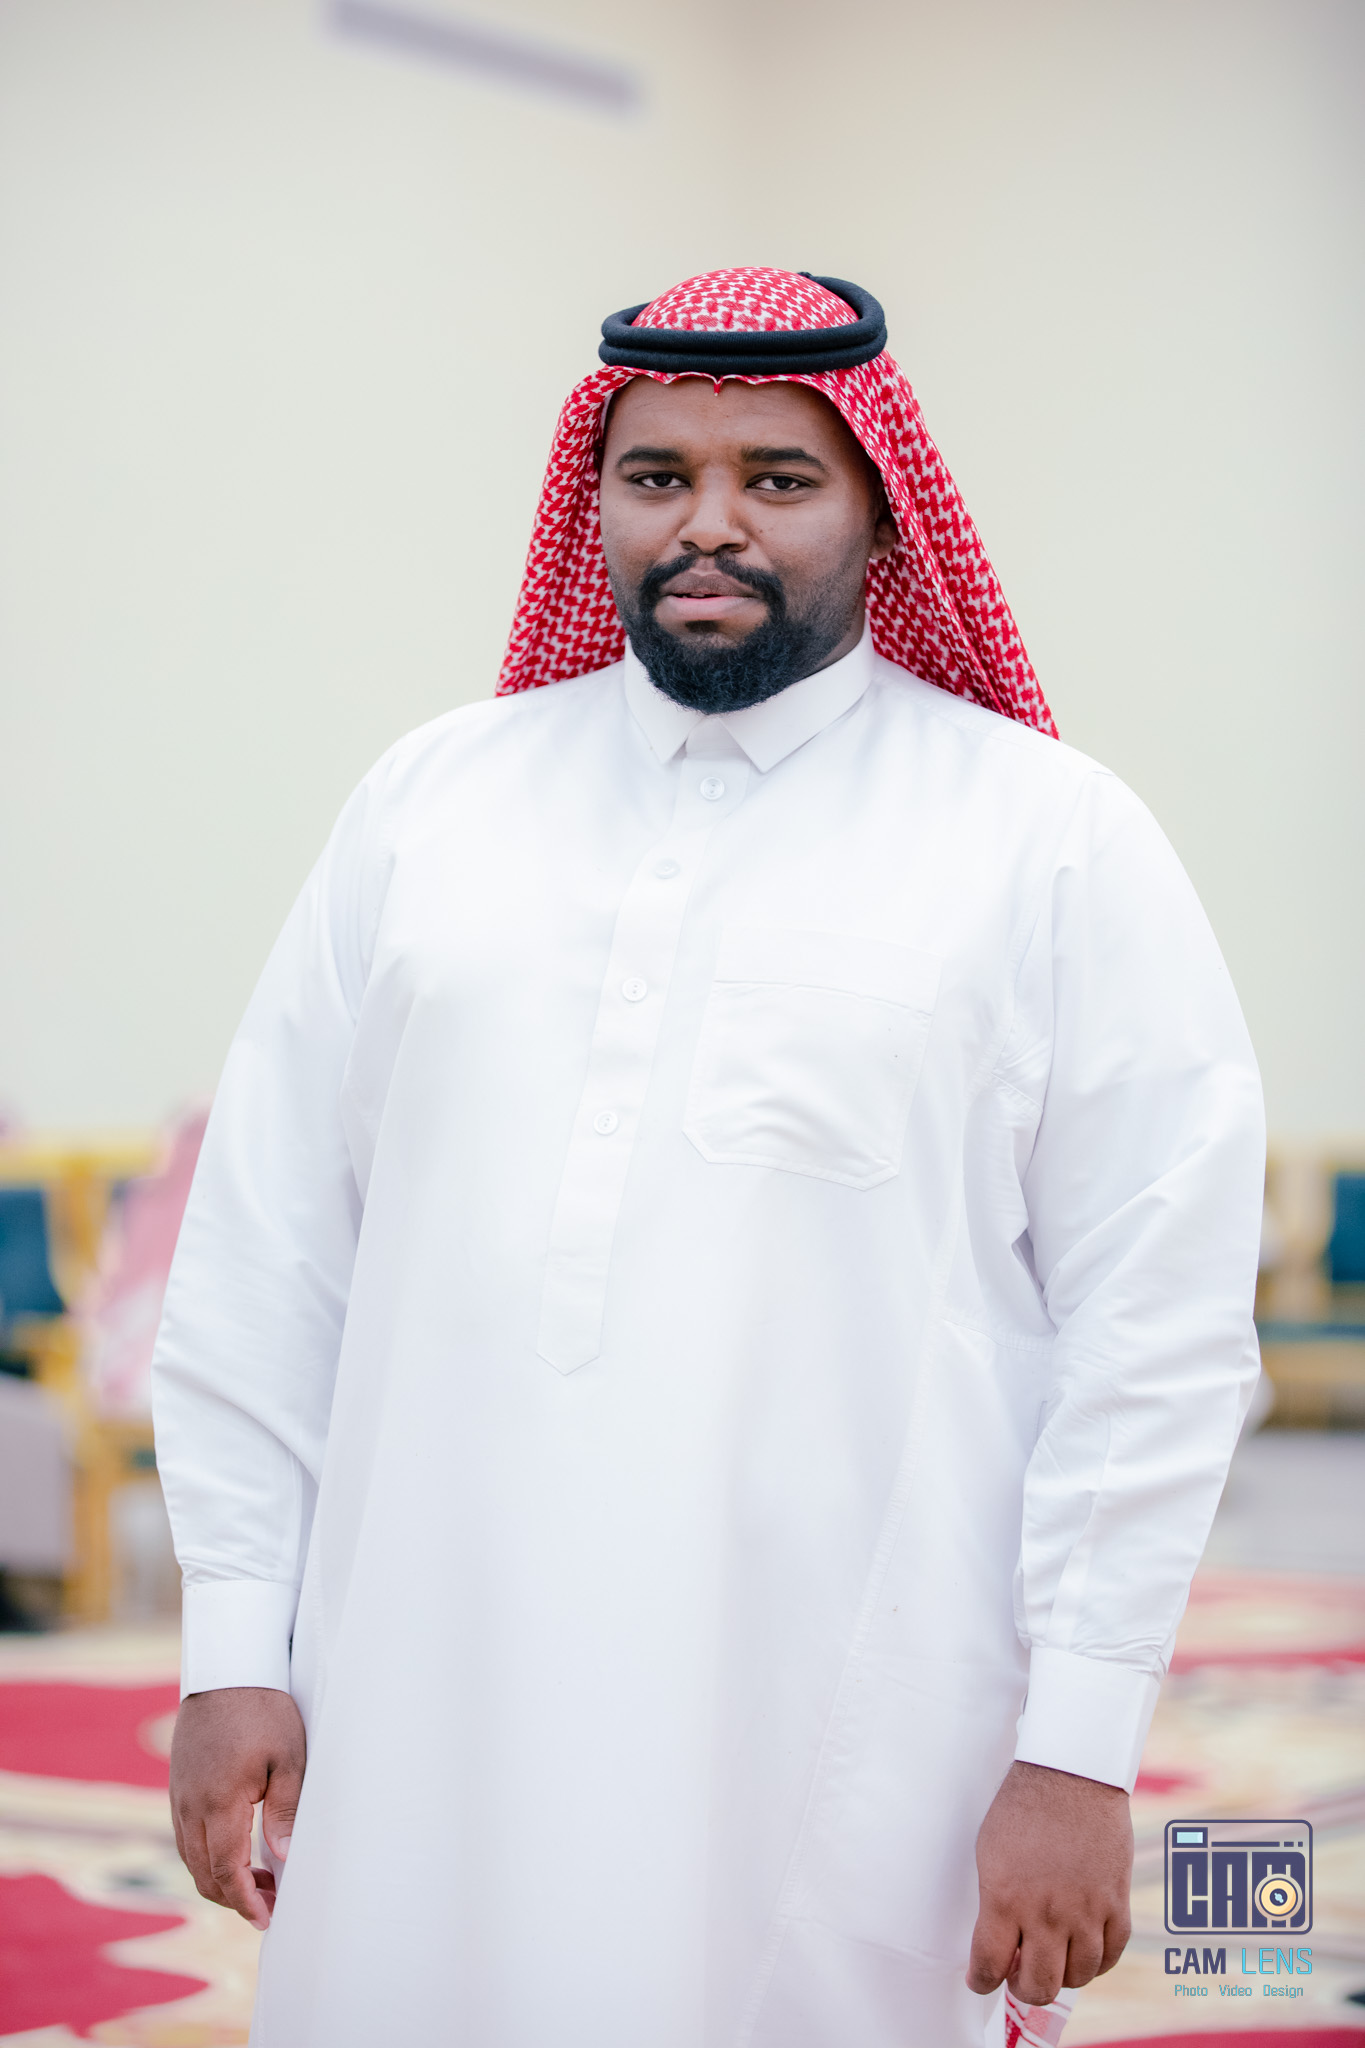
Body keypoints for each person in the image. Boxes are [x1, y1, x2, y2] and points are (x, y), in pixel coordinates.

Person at [153, 269, 1264, 2048]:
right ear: (592, 502)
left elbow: (1156, 1330)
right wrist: (231, 1650)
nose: (709, 524)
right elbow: (270, 1253)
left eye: (778, 478)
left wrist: (1077, 1744)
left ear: (882, 512)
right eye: (657, 476)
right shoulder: (431, 805)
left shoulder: (1047, 839)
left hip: (848, 1715)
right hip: (428, 1683)